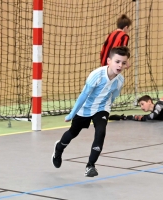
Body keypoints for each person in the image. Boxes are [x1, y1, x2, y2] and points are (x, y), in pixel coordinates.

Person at [52, 46, 131, 177]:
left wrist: (107, 109)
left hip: (101, 109)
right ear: (108, 61)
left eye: (123, 63)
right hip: (85, 108)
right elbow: (83, 95)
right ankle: (58, 149)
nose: (120, 65)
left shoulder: (120, 80)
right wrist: (72, 114)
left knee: (101, 132)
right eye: (117, 61)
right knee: (73, 133)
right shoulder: (97, 75)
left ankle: (90, 166)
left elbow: (114, 95)